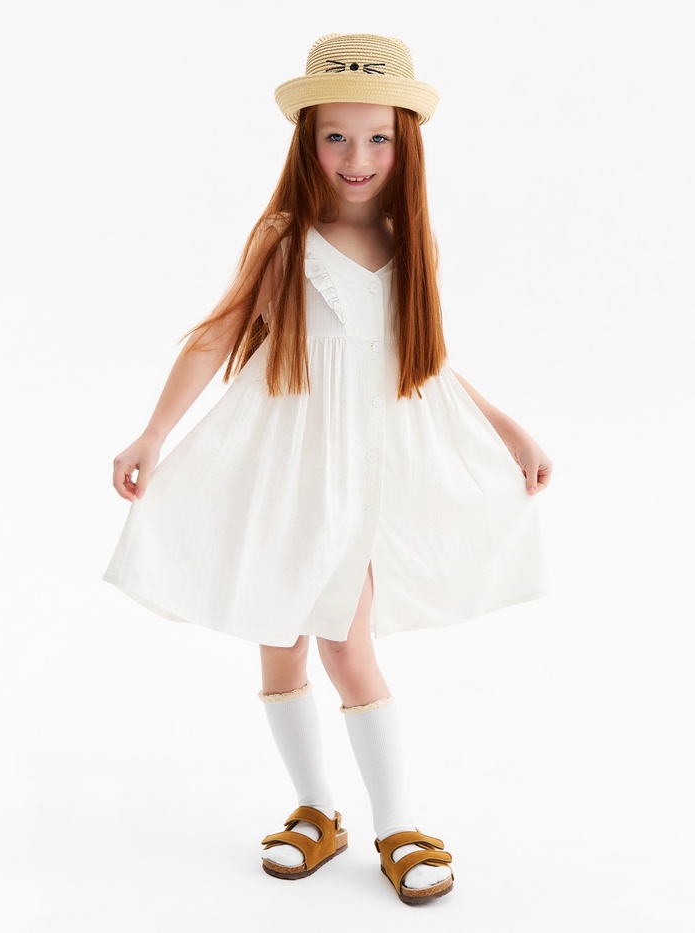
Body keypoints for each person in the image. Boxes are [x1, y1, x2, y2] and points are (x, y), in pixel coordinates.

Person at [104, 33, 552, 906]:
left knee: (347, 641)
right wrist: (154, 433)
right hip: (289, 467)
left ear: (404, 141)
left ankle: (397, 823)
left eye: (378, 137)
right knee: (281, 640)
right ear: (307, 140)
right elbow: (217, 336)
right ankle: (316, 809)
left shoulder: (407, 239)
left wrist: (507, 428)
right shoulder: (286, 238)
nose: (357, 157)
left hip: (367, 472)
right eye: (336, 137)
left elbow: (421, 360)